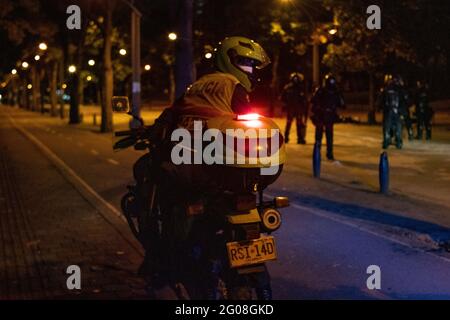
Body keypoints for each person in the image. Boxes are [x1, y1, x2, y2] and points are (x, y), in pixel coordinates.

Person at [310, 74, 345, 160]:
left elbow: (341, 103)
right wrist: (314, 113)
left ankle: (329, 153)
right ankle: (317, 152)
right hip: (320, 115)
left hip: (330, 116)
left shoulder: (335, 91)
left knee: (329, 136)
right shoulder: (320, 91)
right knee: (319, 135)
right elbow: (313, 101)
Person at [378, 74, 407, 149]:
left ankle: (386, 140)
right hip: (397, 111)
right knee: (398, 126)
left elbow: (381, 100)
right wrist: (403, 111)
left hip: (388, 111)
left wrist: (380, 107)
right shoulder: (400, 89)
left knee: (387, 126)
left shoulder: (386, 89)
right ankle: (398, 141)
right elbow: (404, 101)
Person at [280, 72, 308, 144]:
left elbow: (305, 99)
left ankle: (299, 138)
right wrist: (286, 105)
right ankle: (286, 138)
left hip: (298, 109)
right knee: (289, 123)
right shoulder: (288, 88)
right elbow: (282, 98)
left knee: (298, 123)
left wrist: (304, 108)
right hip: (291, 108)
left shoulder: (301, 88)